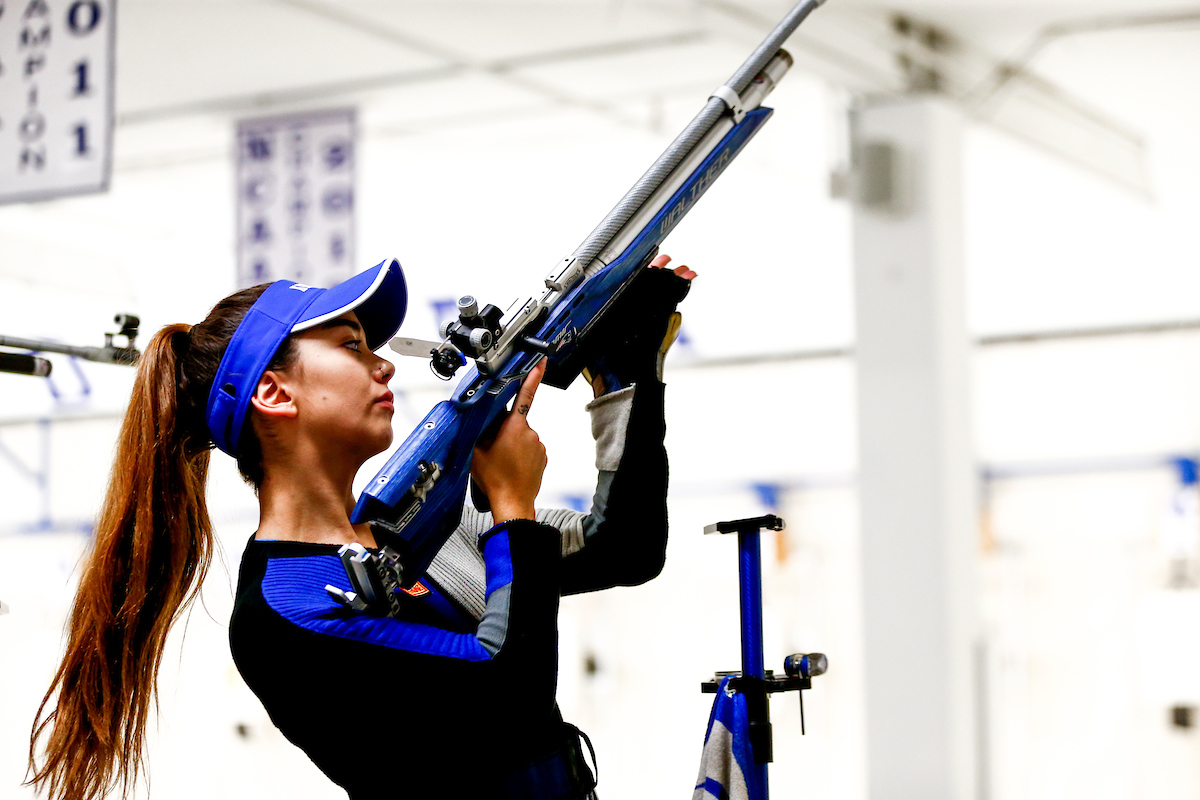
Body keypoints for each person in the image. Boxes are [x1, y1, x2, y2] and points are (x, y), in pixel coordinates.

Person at [28, 254, 694, 799]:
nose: (383, 364)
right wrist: (514, 504)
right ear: (273, 393)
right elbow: (506, 696)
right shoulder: (287, 608)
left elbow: (624, 548)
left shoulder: (423, 522)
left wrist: (627, 376)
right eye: (350, 346)